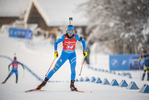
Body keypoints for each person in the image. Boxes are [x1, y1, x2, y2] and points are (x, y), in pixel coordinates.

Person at [36, 25, 87, 91]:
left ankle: (72, 85)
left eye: (72, 31)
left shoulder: (76, 37)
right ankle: (43, 83)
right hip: (64, 55)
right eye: (69, 31)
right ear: (67, 31)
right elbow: (56, 43)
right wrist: (56, 52)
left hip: (72, 55)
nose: (70, 33)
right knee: (55, 69)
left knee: (73, 69)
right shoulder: (63, 37)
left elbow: (83, 41)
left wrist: (84, 50)